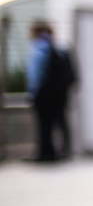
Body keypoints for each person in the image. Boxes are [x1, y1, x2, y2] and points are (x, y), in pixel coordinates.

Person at [26, 22, 72, 161]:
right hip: (59, 94)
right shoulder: (58, 47)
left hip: (43, 93)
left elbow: (35, 73)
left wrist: (32, 91)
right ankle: (62, 151)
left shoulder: (38, 47)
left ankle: (45, 153)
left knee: (44, 124)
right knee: (58, 122)